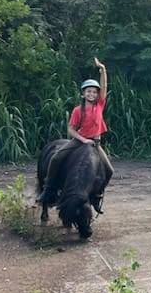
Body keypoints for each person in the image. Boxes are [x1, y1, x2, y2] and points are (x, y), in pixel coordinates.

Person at [37, 58, 114, 212]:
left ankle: (96, 196)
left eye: (94, 92)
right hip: (79, 141)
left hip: (96, 143)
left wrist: (103, 70)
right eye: (88, 91)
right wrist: (83, 140)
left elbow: (104, 86)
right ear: (83, 94)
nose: (92, 94)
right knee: (56, 158)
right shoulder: (78, 110)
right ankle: (48, 189)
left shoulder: (100, 105)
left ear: (97, 94)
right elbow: (71, 129)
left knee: (109, 170)